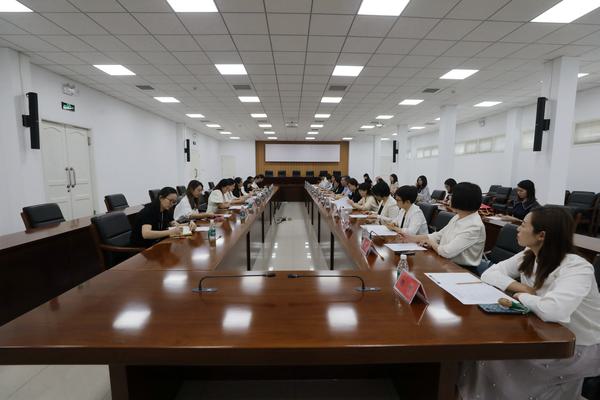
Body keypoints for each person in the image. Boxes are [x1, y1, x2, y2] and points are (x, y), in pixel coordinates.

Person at [460, 206, 600, 400]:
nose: (518, 228)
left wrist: (522, 297)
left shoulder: (577, 268)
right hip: (540, 329)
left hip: (575, 344)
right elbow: (489, 274)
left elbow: (553, 310)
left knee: (496, 354)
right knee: (482, 343)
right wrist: (523, 288)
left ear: (541, 235)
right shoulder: (530, 254)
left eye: (524, 225)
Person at [399, 182, 485, 269]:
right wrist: (412, 238)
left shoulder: (474, 226)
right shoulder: (458, 216)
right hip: (445, 262)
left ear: (461, 200)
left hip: (461, 269)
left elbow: (447, 252)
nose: (449, 198)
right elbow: (438, 235)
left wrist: (431, 243)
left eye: (453, 195)